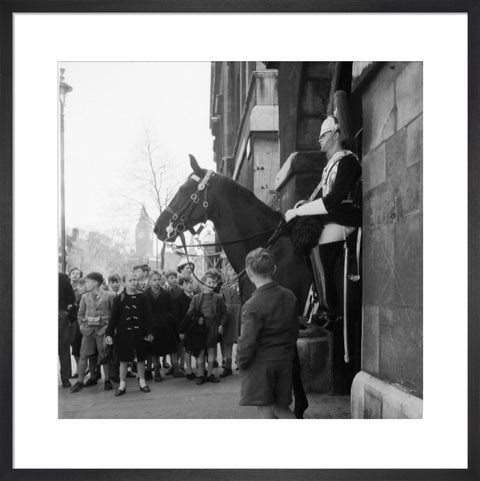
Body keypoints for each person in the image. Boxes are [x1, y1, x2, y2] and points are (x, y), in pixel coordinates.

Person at [284, 115, 361, 323]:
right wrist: (302, 208)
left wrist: (300, 212)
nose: (319, 140)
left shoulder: (347, 161)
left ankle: (331, 308)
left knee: (318, 244)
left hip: (345, 218)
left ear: (335, 135)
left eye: (323, 135)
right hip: (333, 217)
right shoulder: (331, 164)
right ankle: (318, 297)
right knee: (302, 239)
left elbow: (333, 201)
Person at [237, 248, 299, 419]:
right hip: (284, 360)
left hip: (260, 365)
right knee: (281, 407)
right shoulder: (290, 297)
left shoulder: (252, 305)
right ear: (274, 268)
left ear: (249, 272)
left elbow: (247, 341)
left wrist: (241, 361)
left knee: (266, 410)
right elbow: (294, 332)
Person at [105, 272, 154, 396]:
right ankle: (122, 385)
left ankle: (142, 382)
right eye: (131, 280)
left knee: (141, 358)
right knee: (123, 360)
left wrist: (150, 332)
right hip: (123, 334)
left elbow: (148, 316)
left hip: (140, 333)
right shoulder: (118, 299)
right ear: (124, 282)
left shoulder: (143, 297)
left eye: (135, 279)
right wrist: (109, 334)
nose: (134, 282)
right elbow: (113, 318)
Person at [70, 272, 116, 393]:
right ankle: (79, 381)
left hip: (102, 330)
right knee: (83, 355)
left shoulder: (109, 296)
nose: (86, 284)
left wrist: (109, 327)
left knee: (103, 355)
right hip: (88, 330)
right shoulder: (85, 297)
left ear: (96, 283)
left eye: (88, 281)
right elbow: (80, 314)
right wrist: (82, 326)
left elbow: (114, 314)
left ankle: (107, 380)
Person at [183, 272, 228, 385]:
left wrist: (221, 324)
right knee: (200, 351)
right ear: (203, 284)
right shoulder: (196, 298)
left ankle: (209, 374)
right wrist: (192, 323)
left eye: (213, 282)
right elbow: (190, 312)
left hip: (213, 326)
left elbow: (225, 313)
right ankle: (200, 374)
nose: (211, 284)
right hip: (199, 328)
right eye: (209, 282)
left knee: (211, 350)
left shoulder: (218, 298)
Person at [144, 270, 183, 380]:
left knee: (172, 348)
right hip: (152, 327)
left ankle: (176, 369)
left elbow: (172, 309)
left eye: (159, 280)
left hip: (166, 325)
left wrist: (168, 319)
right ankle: (156, 372)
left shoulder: (166, 293)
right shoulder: (145, 295)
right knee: (154, 349)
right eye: (154, 280)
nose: (157, 282)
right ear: (149, 281)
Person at [219, 263, 242, 377]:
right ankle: (228, 366)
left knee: (240, 339)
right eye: (229, 269)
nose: (231, 271)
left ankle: (240, 362)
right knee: (227, 341)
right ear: (226, 271)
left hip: (239, 312)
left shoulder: (242, 284)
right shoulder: (223, 286)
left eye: (233, 268)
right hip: (228, 314)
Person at [177, 277, 196, 379]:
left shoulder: (196, 297)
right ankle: (188, 369)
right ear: (182, 285)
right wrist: (181, 330)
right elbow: (178, 317)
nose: (189, 285)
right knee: (186, 349)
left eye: (191, 283)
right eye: (187, 283)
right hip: (186, 328)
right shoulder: (179, 298)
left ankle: (199, 368)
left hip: (195, 328)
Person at [59, 271, 75, 388]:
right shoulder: (63, 278)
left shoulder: (62, 279)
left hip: (61, 316)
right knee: (64, 350)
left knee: (64, 349)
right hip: (62, 315)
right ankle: (65, 379)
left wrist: (68, 315)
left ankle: (65, 378)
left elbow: (71, 299)